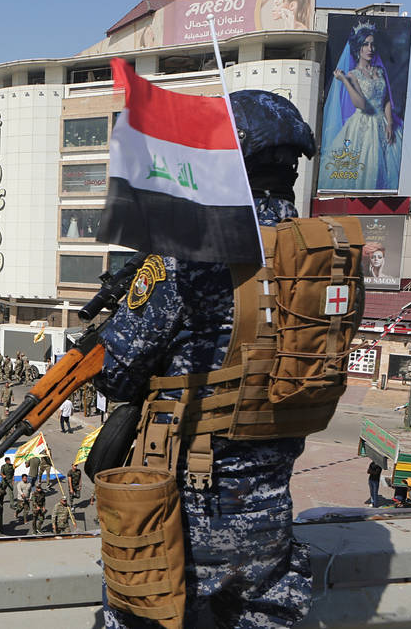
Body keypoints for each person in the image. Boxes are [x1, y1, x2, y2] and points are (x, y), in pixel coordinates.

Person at [96, 90, 319, 627]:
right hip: (271, 519)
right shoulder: (321, 254)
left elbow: (116, 373)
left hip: (189, 517)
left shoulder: (187, 252)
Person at [321, 20, 404, 191]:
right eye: (366, 44)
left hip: (385, 122)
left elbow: (386, 98)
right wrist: (344, 80)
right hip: (364, 125)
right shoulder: (352, 75)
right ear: (358, 47)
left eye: (372, 44)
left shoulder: (380, 71)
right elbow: (361, 104)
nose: (370, 49)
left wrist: (389, 122)